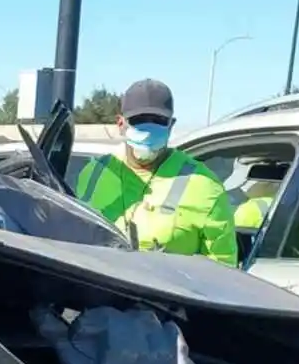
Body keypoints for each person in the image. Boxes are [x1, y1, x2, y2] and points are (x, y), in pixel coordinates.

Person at [74, 79, 236, 264]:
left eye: (158, 121)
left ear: (171, 125)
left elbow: (223, 272)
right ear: (120, 124)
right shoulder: (94, 172)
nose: (149, 129)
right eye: (139, 120)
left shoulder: (205, 186)